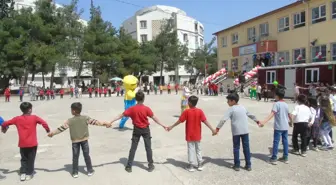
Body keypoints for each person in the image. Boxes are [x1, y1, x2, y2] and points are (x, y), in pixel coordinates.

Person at [107, 91, 167, 172]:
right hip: (145, 130)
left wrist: (111, 121)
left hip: (136, 130)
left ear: (135, 99)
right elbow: (154, 118)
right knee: (148, 148)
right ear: (144, 99)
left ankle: (128, 166)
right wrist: (163, 125)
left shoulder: (131, 109)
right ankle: (150, 165)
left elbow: (120, 115)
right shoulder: (146, 109)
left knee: (133, 148)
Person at [48, 102, 108, 178]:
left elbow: (61, 128)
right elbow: (96, 122)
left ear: (73, 111)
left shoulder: (69, 120)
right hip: (84, 140)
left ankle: (75, 172)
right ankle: (90, 170)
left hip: (75, 141)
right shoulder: (86, 118)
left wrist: (52, 133)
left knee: (75, 156)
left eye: (71, 110)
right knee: (86, 155)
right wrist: (105, 124)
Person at [1, 102, 50, 181]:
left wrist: (3, 127)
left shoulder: (17, 119)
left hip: (22, 143)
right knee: (31, 159)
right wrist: (47, 130)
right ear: (30, 109)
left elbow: (5, 123)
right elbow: (44, 123)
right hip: (32, 143)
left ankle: (23, 173)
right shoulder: (34, 117)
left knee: (23, 158)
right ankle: (29, 173)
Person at [167, 95, 216, 172]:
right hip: (197, 134)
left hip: (190, 134)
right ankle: (200, 164)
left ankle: (191, 165)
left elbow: (180, 121)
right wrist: (212, 129)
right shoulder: (200, 111)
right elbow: (205, 121)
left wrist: (171, 126)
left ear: (189, 103)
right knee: (198, 149)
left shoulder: (186, 111)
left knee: (190, 149)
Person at [214, 93, 260, 171]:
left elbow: (223, 119)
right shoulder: (243, 107)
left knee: (236, 148)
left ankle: (237, 165)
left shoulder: (231, 109)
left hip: (236, 132)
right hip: (245, 131)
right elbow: (251, 115)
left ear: (233, 101)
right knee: (246, 148)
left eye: (228, 100)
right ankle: (248, 165)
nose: (227, 102)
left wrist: (217, 128)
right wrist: (257, 121)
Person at [260, 88, 292, 165]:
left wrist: (264, 121)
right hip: (285, 126)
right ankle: (285, 157)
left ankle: (274, 157)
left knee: (276, 142)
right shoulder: (286, 104)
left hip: (278, 127)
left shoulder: (276, 104)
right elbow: (289, 114)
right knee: (285, 141)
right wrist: (291, 122)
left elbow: (272, 114)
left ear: (277, 96)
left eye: (275, 94)